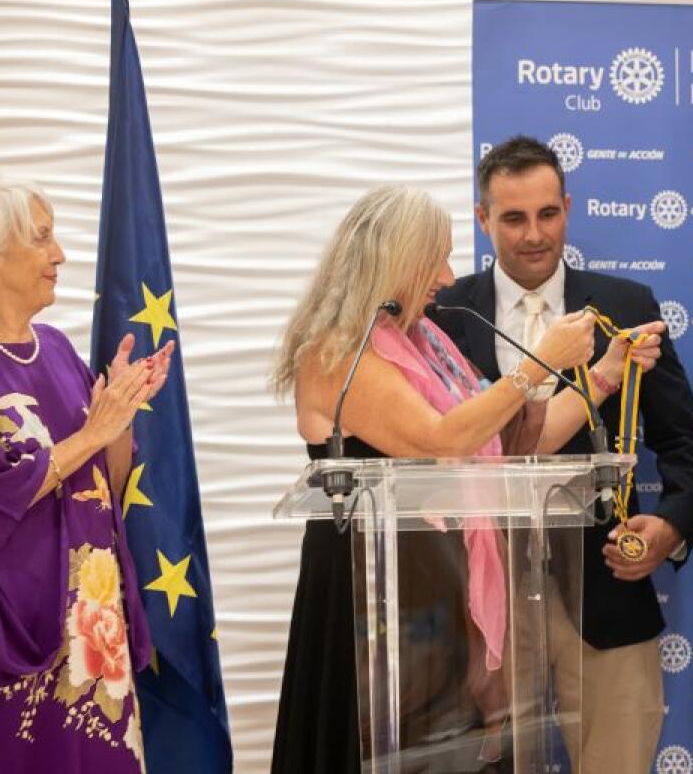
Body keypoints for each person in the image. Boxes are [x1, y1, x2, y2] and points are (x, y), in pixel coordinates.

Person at [269, 184, 664, 773]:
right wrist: (539, 364)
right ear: (394, 260)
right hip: (372, 600)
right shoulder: (337, 354)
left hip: (439, 594)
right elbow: (443, 439)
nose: (449, 276)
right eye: (436, 259)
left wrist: (603, 375)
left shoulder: (428, 345)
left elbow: (508, 447)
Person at [435, 136, 693, 773]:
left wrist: (669, 527)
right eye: (512, 218)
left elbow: (684, 444)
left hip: (608, 592)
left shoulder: (625, 307)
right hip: (482, 602)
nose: (534, 234)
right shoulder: (445, 315)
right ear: (482, 220)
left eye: (548, 214)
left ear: (567, 206)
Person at [0, 170, 174, 772]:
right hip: (0, 637)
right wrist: (93, 430)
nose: (59, 254)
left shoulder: (56, 346)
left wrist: (120, 416)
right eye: (41, 238)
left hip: (90, 624)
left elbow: (106, 486)